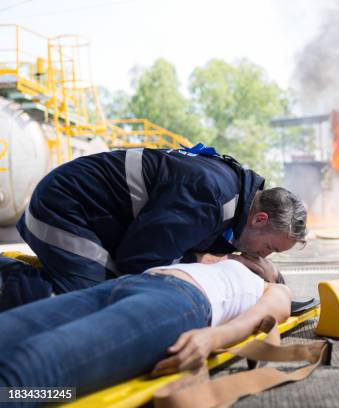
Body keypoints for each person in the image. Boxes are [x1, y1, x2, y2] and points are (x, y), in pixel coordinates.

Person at [0, 144, 307, 310]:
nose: (264, 255)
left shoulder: (236, 200)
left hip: (96, 218)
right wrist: (220, 261)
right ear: (260, 218)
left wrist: (274, 280)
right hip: (65, 207)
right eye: (269, 248)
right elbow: (140, 260)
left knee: (110, 293)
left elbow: (194, 240)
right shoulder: (209, 196)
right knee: (86, 303)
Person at [0, 258, 291, 396]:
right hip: (122, 285)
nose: (263, 258)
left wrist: (212, 338)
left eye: (270, 262)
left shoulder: (269, 286)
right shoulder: (216, 261)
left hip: (179, 303)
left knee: (32, 368)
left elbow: (266, 315)